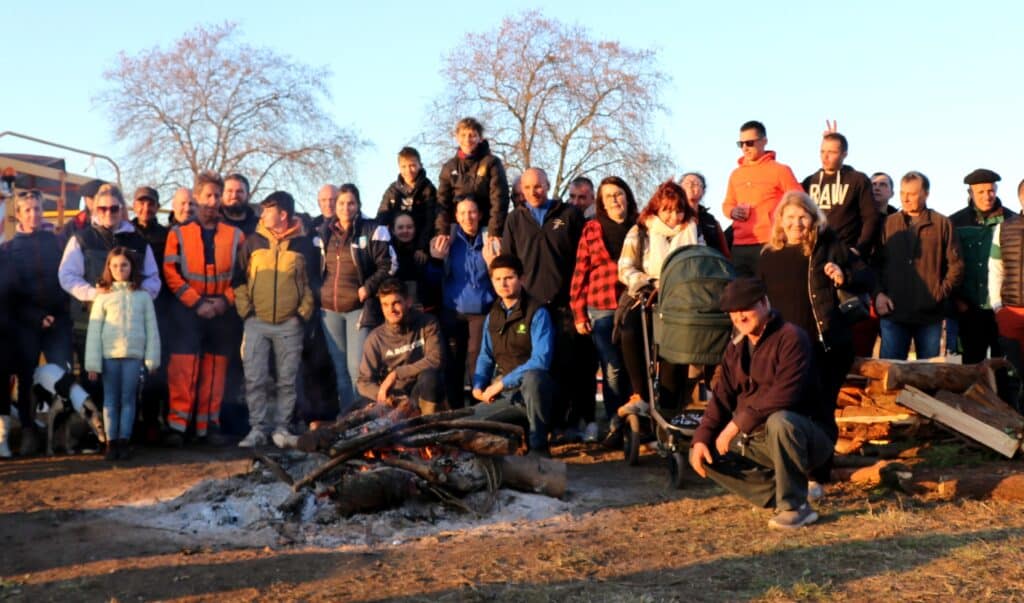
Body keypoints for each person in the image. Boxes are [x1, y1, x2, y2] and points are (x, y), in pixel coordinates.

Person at [689, 277, 834, 529]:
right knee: (700, 449)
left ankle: (796, 507)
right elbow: (721, 397)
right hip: (756, 438)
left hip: (806, 436)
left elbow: (783, 395)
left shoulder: (792, 338)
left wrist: (736, 425)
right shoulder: (735, 347)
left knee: (780, 421)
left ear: (765, 303)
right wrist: (701, 438)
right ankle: (778, 492)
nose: (739, 316)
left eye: (746, 308)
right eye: (733, 311)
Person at [757, 191, 870, 484]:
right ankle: (790, 470)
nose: (796, 223)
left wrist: (843, 275)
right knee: (787, 410)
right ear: (780, 220)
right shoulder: (768, 256)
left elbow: (866, 276)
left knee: (821, 410)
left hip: (826, 345)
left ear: (813, 219)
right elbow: (761, 302)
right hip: (786, 350)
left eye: (802, 217)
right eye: (790, 217)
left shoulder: (828, 246)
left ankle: (818, 475)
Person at [501, 168, 587, 439]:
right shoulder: (515, 219)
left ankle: (566, 424)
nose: (533, 192)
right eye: (527, 188)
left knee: (567, 365)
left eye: (538, 186)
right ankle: (537, 425)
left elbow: (582, 259)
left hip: (564, 304)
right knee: (537, 368)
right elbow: (509, 262)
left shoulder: (569, 215)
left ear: (548, 185)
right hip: (531, 309)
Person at [163, 171, 245, 442]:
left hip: (222, 312)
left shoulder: (236, 236)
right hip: (187, 311)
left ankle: (207, 426)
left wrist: (224, 302)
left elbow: (243, 276)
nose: (213, 201)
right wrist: (196, 302)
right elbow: (171, 273)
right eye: (208, 195)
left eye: (217, 196)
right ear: (197, 197)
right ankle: (178, 427)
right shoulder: (178, 233)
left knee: (215, 371)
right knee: (183, 369)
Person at [233, 191, 315, 448]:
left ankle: (282, 429)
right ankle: (257, 429)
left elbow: (312, 284)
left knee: (287, 381)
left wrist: (301, 315)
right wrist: (247, 312)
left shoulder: (303, 245)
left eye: (268, 210)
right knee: (254, 378)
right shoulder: (253, 242)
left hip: (290, 324)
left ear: (283, 214)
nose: (263, 214)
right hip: (256, 322)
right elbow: (238, 280)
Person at [617, 180, 700, 415]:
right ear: (657, 209)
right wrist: (649, 281)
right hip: (647, 294)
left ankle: (669, 409)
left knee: (674, 349)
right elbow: (625, 268)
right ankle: (641, 394)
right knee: (630, 331)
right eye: (667, 210)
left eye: (678, 210)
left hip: (681, 300)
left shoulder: (694, 232)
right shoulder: (641, 231)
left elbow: (700, 265)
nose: (673, 217)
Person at [318, 183, 395, 417]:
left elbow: (389, 265)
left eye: (351, 203)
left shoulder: (372, 229)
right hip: (329, 309)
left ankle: (364, 418)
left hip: (358, 307)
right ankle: (347, 418)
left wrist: (368, 287)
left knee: (357, 369)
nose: (345, 208)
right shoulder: (324, 232)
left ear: (358, 205)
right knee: (340, 369)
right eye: (341, 203)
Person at [5, 190, 73, 454]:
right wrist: (36, 317)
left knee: (63, 376)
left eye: (37, 209)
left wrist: (56, 313)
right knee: (27, 378)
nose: (34, 214)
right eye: (28, 210)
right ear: (18, 214)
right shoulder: (9, 250)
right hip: (26, 325)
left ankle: (62, 433)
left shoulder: (57, 243)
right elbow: (11, 293)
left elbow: (67, 278)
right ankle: (29, 431)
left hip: (58, 321)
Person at [569, 176, 638, 433]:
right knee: (612, 366)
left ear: (627, 196)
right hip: (602, 304)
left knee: (634, 364)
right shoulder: (592, 228)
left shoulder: (640, 226)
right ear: (601, 202)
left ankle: (637, 419)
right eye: (608, 196)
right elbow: (580, 272)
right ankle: (615, 419)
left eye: (618, 194)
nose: (614, 200)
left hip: (634, 303)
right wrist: (578, 313)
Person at [874, 172, 964, 360]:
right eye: (902, 193)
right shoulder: (888, 224)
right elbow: (875, 264)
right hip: (893, 312)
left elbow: (956, 266)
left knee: (927, 373)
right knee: (890, 371)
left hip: (929, 315)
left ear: (926, 194)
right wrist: (879, 294)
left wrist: (939, 293)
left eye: (912, 194)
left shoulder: (942, 224)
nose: (905, 199)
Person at [472, 254, 554, 455]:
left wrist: (501, 383)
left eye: (509, 278)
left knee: (533, 377)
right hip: (509, 396)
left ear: (522, 279)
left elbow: (540, 361)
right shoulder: (492, 315)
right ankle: (514, 437)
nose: (503, 284)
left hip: (537, 394)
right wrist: (478, 384)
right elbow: (485, 355)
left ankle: (539, 448)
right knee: (469, 422)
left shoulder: (538, 312)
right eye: (498, 279)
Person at [84, 247, 160, 460]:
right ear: (108, 268)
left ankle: (124, 441)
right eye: (115, 265)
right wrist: (92, 364)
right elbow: (94, 332)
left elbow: (151, 329)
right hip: (109, 357)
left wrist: (152, 359)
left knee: (128, 399)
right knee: (110, 400)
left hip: (133, 356)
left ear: (132, 267)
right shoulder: (102, 298)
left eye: (124, 265)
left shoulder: (143, 297)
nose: (119, 269)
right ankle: (111, 442)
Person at [428, 195, 497, 409]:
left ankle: (479, 410)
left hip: (481, 312)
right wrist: (436, 260)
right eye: (463, 213)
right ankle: (456, 412)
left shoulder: (490, 239)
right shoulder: (446, 240)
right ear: (456, 217)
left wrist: (492, 264)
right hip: (453, 311)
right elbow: (432, 278)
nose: (468, 217)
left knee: (478, 362)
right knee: (453, 364)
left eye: (472, 212)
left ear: (480, 215)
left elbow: (501, 277)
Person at [949, 169, 1014, 363]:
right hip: (969, 307)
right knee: (971, 366)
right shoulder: (954, 223)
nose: (987, 196)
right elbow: (947, 265)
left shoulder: (1012, 222)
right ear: (970, 193)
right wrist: (957, 300)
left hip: (1002, 307)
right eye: (981, 192)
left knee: (1005, 365)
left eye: (991, 190)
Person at [722, 120, 801, 276]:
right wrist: (732, 211)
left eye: (749, 143)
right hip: (740, 246)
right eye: (741, 144)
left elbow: (799, 201)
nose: (745, 148)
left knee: (772, 288)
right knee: (742, 290)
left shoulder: (780, 170)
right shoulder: (736, 174)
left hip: (771, 242)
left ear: (764, 141)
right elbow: (727, 204)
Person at [357, 278, 445, 415]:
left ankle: (429, 422)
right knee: (344, 415)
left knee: (431, 377)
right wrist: (388, 398)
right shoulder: (375, 338)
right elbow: (364, 382)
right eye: (385, 305)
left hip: (419, 391)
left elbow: (435, 360)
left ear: (408, 301)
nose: (390, 310)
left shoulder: (428, 323)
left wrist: (396, 374)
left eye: (396, 303)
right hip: (393, 397)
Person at [131, 186, 172, 442]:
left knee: (155, 367)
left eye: (151, 204)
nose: (146, 208)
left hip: (160, 308)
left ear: (157, 206)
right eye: (141, 203)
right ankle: (131, 422)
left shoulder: (166, 236)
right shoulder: (126, 233)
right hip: (130, 309)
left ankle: (152, 421)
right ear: (134, 205)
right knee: (131, 366)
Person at [801, 132, 879, 259]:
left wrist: (860, 249)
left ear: (844, 154)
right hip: (814, 252)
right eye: (822, 151)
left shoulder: (858, 180)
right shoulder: (809, 181)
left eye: (832, 152)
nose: (825, 156)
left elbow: (870, 217)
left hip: (846, 252)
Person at [437, 117, 510, 245]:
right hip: (458, 224)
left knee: (493, 251)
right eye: (463, 135)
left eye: (472, 135)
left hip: (486, 224)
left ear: (480, 138)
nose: (467, 140)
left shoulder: (491, 163)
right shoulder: (449, 167)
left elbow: (499, 198)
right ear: (457, 137)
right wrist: (442, 230)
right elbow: (442, 201)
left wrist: (495, 231)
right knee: (442, 249)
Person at [377, 147, 439, 256]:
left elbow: (431, 221)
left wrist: (422, 247)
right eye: (404, 167)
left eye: (412, 165)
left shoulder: (428, 190)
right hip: (396, 248)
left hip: (421, 248)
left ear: (420, 165)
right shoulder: (392, 191)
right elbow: (381, 219)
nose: (408, 170)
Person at [680, 172, 730, 256]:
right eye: (687, 183)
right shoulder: (673, 216)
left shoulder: (711, 221)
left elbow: (725, 253)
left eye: (696, 184)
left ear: (703, 192)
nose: (691, 185)